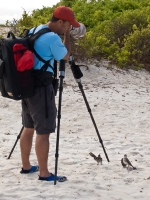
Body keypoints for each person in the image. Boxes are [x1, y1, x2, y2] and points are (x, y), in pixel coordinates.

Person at [20, 5, 80, 182]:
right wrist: (67, 36)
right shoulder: (52, 38)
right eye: (69, 25)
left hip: (27, 86)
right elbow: (65, 55)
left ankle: (26, 166)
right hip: (41, 88)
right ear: (60, 22)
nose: (70, 27)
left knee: (28, 126)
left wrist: (66, 32)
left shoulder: (35, 29)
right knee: (43, 131)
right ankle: (44, 173)